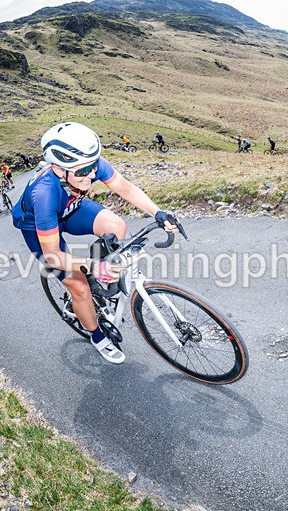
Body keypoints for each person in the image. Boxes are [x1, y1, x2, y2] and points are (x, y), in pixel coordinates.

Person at [12, 122, 178, 364]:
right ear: (58, 170)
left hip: (70, 208)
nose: (91, 175)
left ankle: (100, 280)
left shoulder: (88, 165)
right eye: (82, 171)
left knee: (117, 226)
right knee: (79, 287)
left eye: (93, 167)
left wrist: (158, 212)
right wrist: (92, 266)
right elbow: (53, 256)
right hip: (39, 222)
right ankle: (97, 336)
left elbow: (126, 189)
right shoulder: (44, 194)